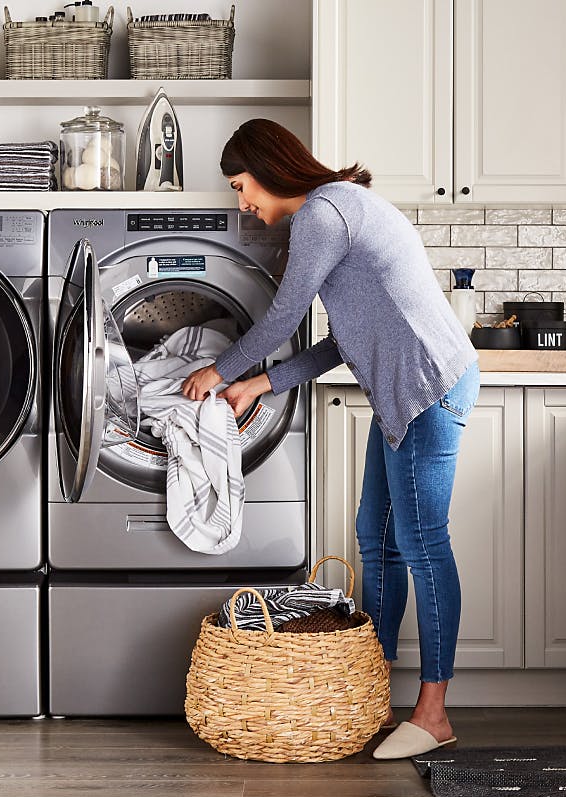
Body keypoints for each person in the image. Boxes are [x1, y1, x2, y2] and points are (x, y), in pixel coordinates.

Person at [180, 118, 479, 760]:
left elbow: (284, 318)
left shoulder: (324, 212)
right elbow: (342, 340)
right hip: (402, 389)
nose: (243, 204)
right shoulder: (341, 208)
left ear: (269, 168)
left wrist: (220, 370)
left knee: (422, 544)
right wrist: (263, 384)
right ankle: (370, 686)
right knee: (376, 535)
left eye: (241, 186)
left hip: (427, 386)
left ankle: (433, 712)